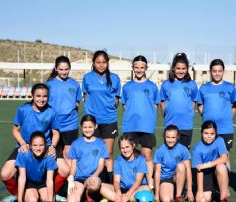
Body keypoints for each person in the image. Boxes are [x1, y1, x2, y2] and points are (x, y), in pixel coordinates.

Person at [0, 83, 69, 202]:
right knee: (5, 174)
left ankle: (53, 193)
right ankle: (16, 194)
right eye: (38, 96)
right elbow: (15, 130)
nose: (41, 99)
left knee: (65, 169)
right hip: (25, 146)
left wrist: (52, 146)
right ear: (32, 95)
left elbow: (56, 132)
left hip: (46, 146)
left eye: (45, 96)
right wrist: (22, 143)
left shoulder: (52, 112)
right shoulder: (23, 109)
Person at [81, 50, 121, 184]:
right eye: (98, 62)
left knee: (108, 153)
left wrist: (106, 109)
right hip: (92, 121)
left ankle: (109, 184)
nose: (101, 65)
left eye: (104, 62)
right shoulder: (87, 78)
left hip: (109, 120)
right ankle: (92, 184)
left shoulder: (115, 78)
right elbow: (86, 98)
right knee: (93, 153)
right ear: (93, 63)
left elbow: (116, 101)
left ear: (107, 63)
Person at [121, 55, 160, 190]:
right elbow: (125, 105)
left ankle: (150, 184)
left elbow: (155, 105)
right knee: (130, 154)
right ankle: (129, 182)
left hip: (146, 126)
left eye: (142, 67)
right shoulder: (127, 87)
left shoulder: (152, 87)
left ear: (146, 68)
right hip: (130, 125)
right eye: (136, 67)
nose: (139, 70)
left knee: (147, 155)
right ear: (132, 68)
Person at [197, 59, 236, 171]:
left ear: (223, 71)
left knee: (225, 157)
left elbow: (235, 106)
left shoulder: (230, 87)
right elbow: (200, 105)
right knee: (208, 155)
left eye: (219, 71)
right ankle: (209, 184)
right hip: (209, 129)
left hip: (225, 129)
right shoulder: (204, 88)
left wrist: (228, 118)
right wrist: (206, 118)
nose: (217, 73)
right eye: (214, 71)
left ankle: (225, 184)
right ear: (210, 71)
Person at [47, 55, 82, 165]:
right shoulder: (49, 84)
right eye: (61, 69)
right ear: (56, 69)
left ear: (70, 68)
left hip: (70, 124)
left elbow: (77, 103)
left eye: (66, 69)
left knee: (68, 153)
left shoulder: (74, 83)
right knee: (54, 152)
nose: (64, 72)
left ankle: (69, 179)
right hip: (54, 125)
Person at [66, 114, 108, 202]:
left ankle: (90, 193)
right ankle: (82, 190)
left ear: (95, 126)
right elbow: (73, 165)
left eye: (90, 127)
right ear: (81, 127)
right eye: (85, 127)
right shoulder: (76, 144)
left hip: (93, 177)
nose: (87, 130)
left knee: (94, 185)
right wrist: (71, 177)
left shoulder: (101, 144)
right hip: (79, 179)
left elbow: (101, 165)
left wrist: (94, 175)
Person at [99, 134, 150, 202]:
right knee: (101, 186)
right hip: (122, 189)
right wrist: (118, 192)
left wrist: (128, 194)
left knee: (146, 189)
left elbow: (138, 181)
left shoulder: (141, 159)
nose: (125, 150)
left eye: (127, 147)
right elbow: (116, 181)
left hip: (136, 189)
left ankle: (115, 201)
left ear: (133, 146)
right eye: (122, 148)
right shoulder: (118, 160)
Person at [160, 53, 198, 149]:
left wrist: (188, 113)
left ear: (187, 69)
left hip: (186, 125)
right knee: (170, 154)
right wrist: (167, 115)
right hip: (170, 124)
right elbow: (163, 102)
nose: (181, 71)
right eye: (178, 68)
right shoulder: (166, 84)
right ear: (173, 68)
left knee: (184, 155)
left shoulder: (192, 84)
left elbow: (193, 101)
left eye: (183, 69)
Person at [192, 120, 230, 202]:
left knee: (221, 166)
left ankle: (223, 199)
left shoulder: (220, 140)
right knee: (201, 201)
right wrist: (200, 191)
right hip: (205, 174)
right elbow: (199, 170)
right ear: (201, 132)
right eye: (206, 133)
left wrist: (207, 165)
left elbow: (224, 158)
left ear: (216, 133)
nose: (209, 136)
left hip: (218, 171)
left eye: (212, 134)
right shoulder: (197, 148)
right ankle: (215, 192)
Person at [16, 131, 57, 202]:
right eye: (35, 145)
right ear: (30, 146)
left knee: (47, 199)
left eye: (41, 145)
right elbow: (22, 177)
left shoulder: (49, 156)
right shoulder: (23, 154)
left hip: (42, 181)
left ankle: (45, 193)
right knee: (32, 201)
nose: (38, 148)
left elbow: (49, 180)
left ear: (45, 145)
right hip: (29, 182)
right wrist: (20, 201)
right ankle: (21, 195)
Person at [154, 125, 194, 202]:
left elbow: (188, 170)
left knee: (181, 166)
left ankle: (179, 195)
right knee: (166, 200)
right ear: (164, 137)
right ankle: (172, 190)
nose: (170, 140)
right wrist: (157, 194)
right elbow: (157, 173)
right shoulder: (160, 151)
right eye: (167, 137)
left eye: (173, 137)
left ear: (178, 137)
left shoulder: (183, 149)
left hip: (178, 176)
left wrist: (190, 190)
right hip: (166, 178)